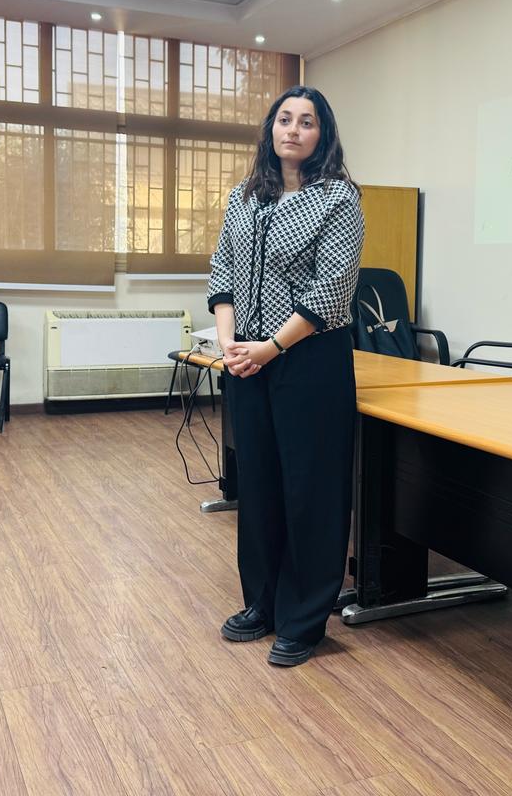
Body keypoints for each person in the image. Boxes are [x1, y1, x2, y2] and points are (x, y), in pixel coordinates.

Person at [208, 86, 365, 667]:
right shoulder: (245, 196)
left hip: (308, 358)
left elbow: (332, 289)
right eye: (285, 119)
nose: (293, 130)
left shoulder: (338, 198)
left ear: (323, 135)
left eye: (307, 122)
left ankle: (304, 619)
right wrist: (229, 343)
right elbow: (223, 269)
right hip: (247, 360)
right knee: (260, 485)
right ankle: (263, 603)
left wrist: (270, 348)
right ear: (270, 129)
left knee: (310, 490)